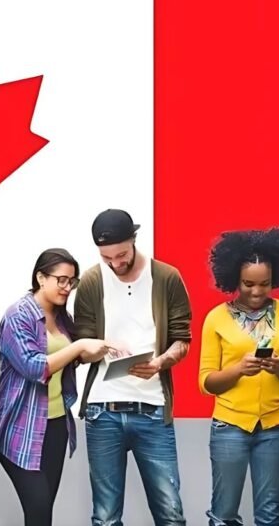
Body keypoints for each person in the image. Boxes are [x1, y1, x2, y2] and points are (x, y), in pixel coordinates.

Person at [74, 209, 192, 526]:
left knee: (170, 514)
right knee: (105, 517)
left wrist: (160, 363)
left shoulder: (167, 278)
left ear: (134, 240)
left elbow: (183, 340)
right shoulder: (89, 281)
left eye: (121, 254)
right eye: (106, 257)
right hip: (102, 411)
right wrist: (95, 347)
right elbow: (80, 348)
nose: (115, 263)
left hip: (153, 409)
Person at [0, 248, 120, 526]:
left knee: (44, 511)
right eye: (61, 280)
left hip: (56, 424)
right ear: (40, 277)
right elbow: (35, 367)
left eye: (71, 281)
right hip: (20, 427)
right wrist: (80, 346)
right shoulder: (18, 316)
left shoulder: (62, 318)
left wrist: (96, 351)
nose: (67, 287)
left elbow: (72, 359)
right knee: (37, 509)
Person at [199, 228, 279, 526]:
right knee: (223, 515)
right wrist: (238, 370)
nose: (257, 291)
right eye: (248, 284)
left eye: (265, 284)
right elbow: (206, 383)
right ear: (234, 277)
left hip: (274, 428)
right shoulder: (216, 318)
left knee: (270, 515)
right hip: (229, 427)